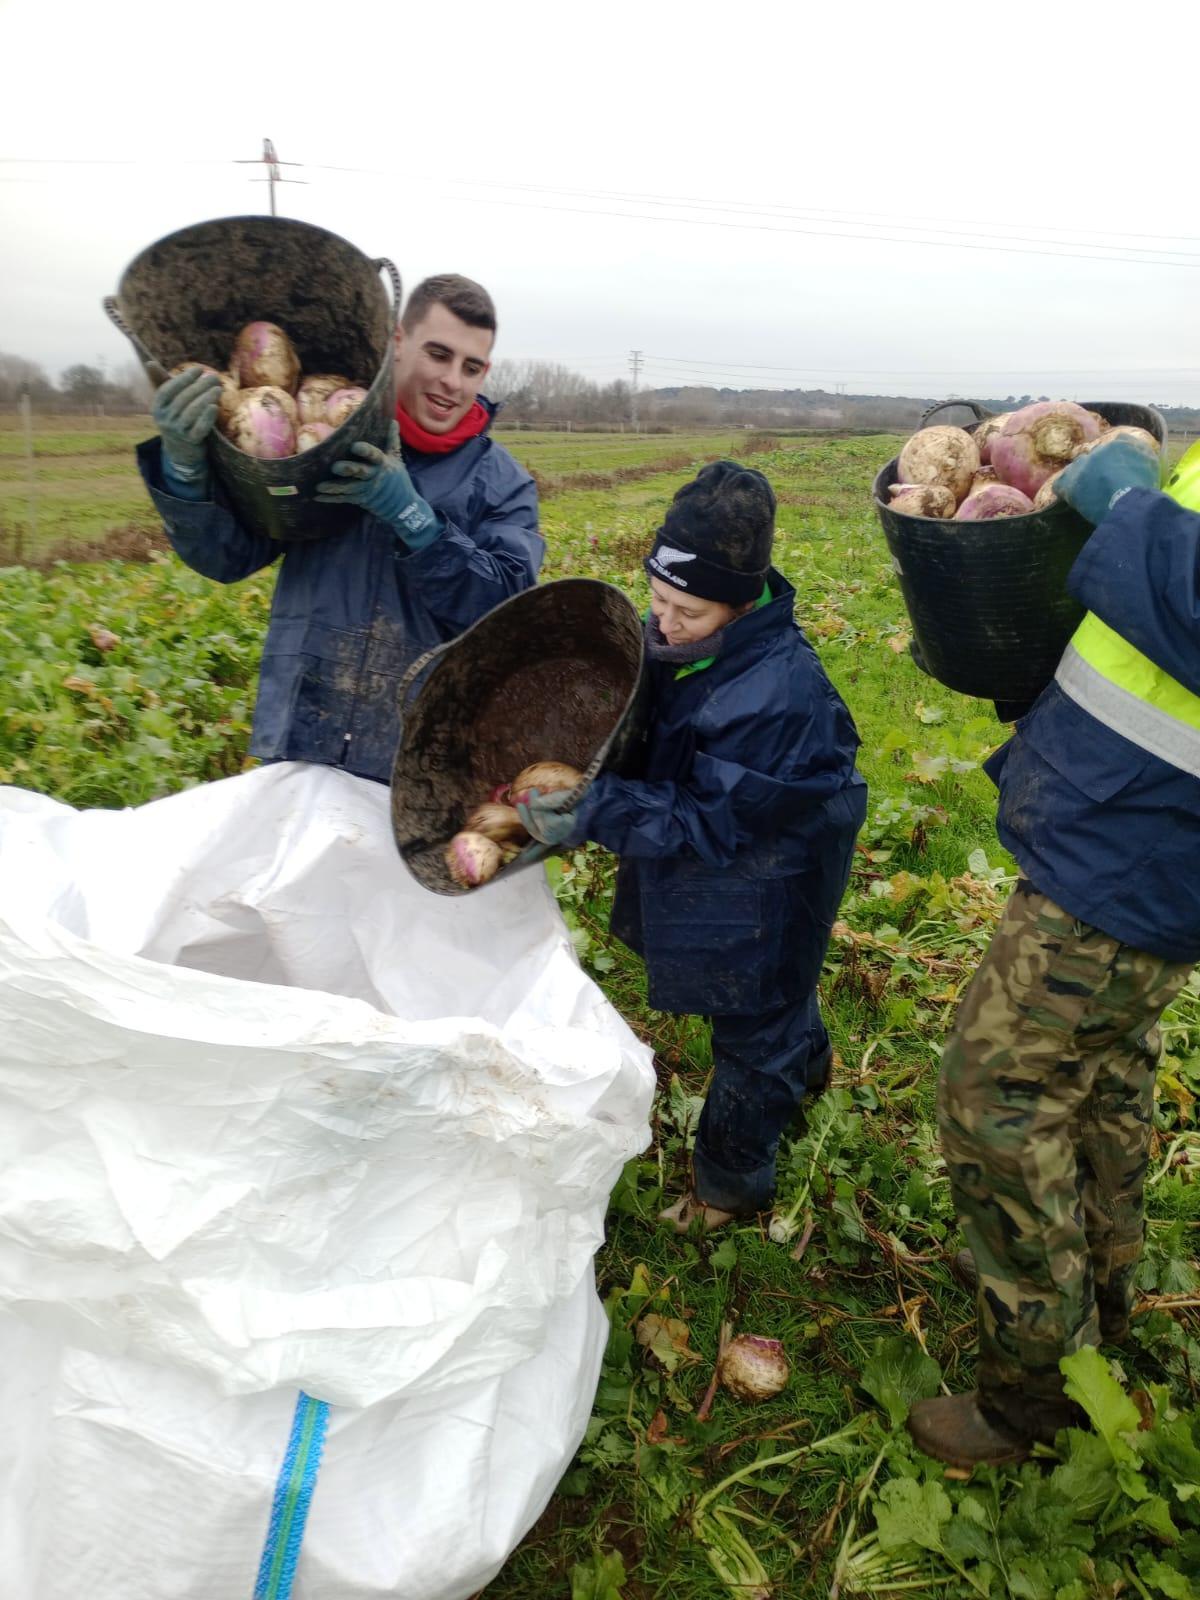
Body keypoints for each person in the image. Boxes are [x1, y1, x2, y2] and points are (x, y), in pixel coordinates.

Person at [908, 433, 1200, 1469]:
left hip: (1145, 840)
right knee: (1100, 1071)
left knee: (998, 1091)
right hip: (1131, 822)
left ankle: (1036, 1401)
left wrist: (1125, 512)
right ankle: (1094, 1298)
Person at [516, 461, 868, 1230]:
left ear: (741, 604)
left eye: (690, 611)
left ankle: (729, 1189)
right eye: (658, 600)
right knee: (779, 1002)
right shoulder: (698, 647)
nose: (667, 624)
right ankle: (810, 1064)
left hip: (778, 867)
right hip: (739, 846)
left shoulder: (779, 697)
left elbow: (707, 819)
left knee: (753, 1023)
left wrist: (590, 808)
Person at [136, 274, 542, 784]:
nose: (452, 382)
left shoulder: (503, 482)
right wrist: (186, 470)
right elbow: (227, 558)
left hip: (420, 760)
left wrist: (414, 519)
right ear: (398, 343)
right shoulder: (319, 443)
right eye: (438, 355)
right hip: (303, 736)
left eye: (471, 366)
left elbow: (507, 614)